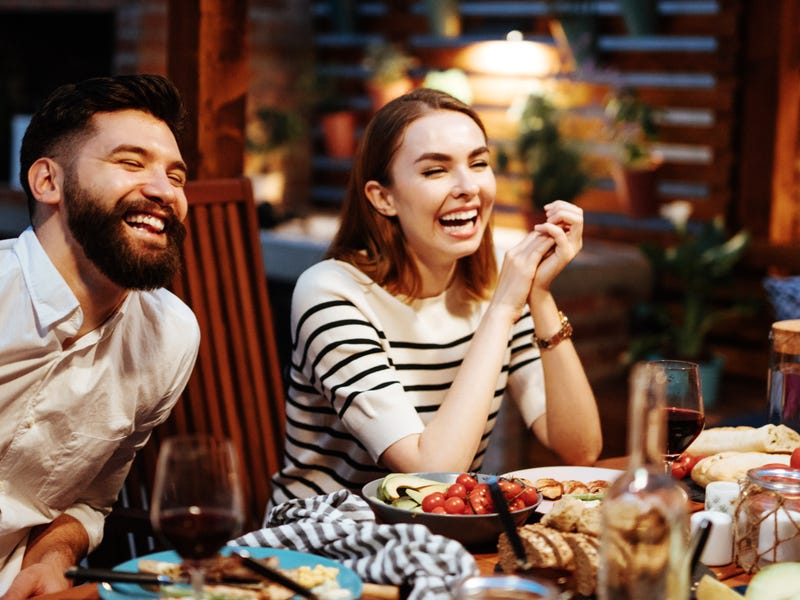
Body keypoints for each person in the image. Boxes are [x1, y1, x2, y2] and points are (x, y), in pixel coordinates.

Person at [269, 88, 602, 507]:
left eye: (478, 163)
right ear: (383, 197)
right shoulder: (331, 293)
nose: (468, 187)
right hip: (326, 542)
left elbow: (580, 448)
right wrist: (503, 307)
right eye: (434, 171)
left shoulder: (496, 285)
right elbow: (433, 470)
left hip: (438, 537)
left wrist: (540, 294)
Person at [0, 74, 200, 598]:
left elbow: (89, 499)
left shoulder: (170, 336)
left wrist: (54, 553)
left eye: (176, 176)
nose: (165, 191)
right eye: (131, 163)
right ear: (48, 182)